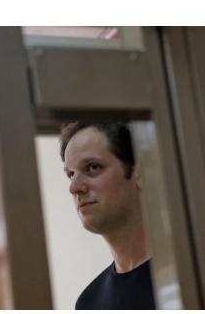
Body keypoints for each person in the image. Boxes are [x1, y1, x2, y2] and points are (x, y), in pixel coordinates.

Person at [60, 121, 156, 310]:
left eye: (92, 167)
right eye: (71, 174)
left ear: (138, 172)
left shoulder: (189, 275)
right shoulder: (88, 303)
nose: (74, 187)